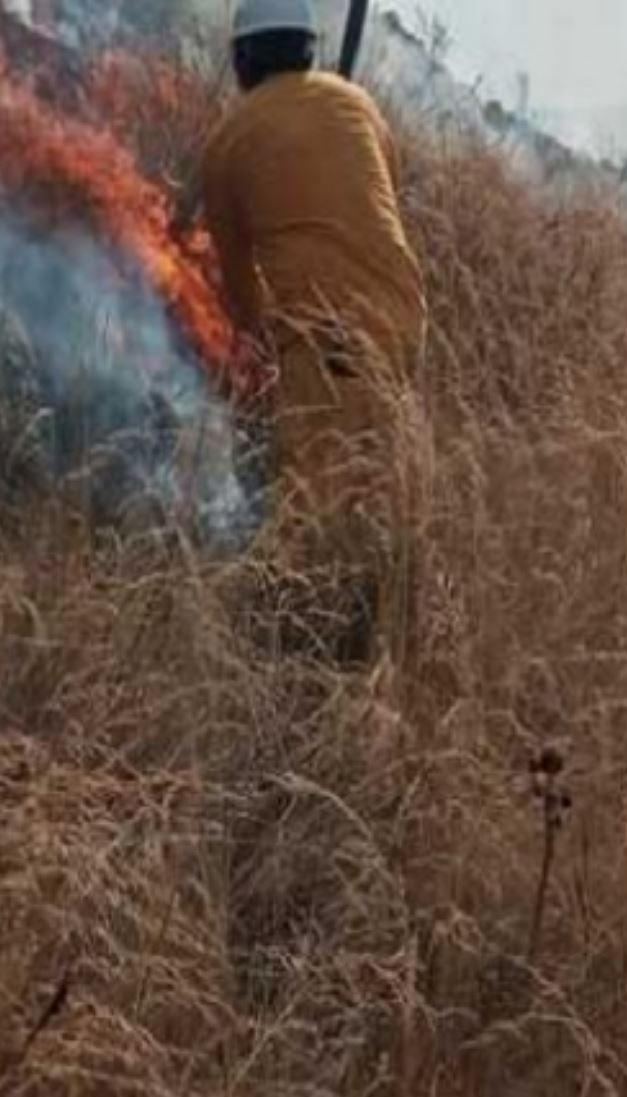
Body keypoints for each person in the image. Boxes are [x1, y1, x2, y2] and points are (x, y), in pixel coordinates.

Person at [201, 0, 428, 666]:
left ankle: (292, 655)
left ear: (242, 60)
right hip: (407, 316)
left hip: (325, 337)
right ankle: (374, 633)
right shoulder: (359, 106)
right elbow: (383, 197)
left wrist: (259, 389)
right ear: (307, 48)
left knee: (310, 512)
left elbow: (244, 303)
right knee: (375, 480)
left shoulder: (228, 142)